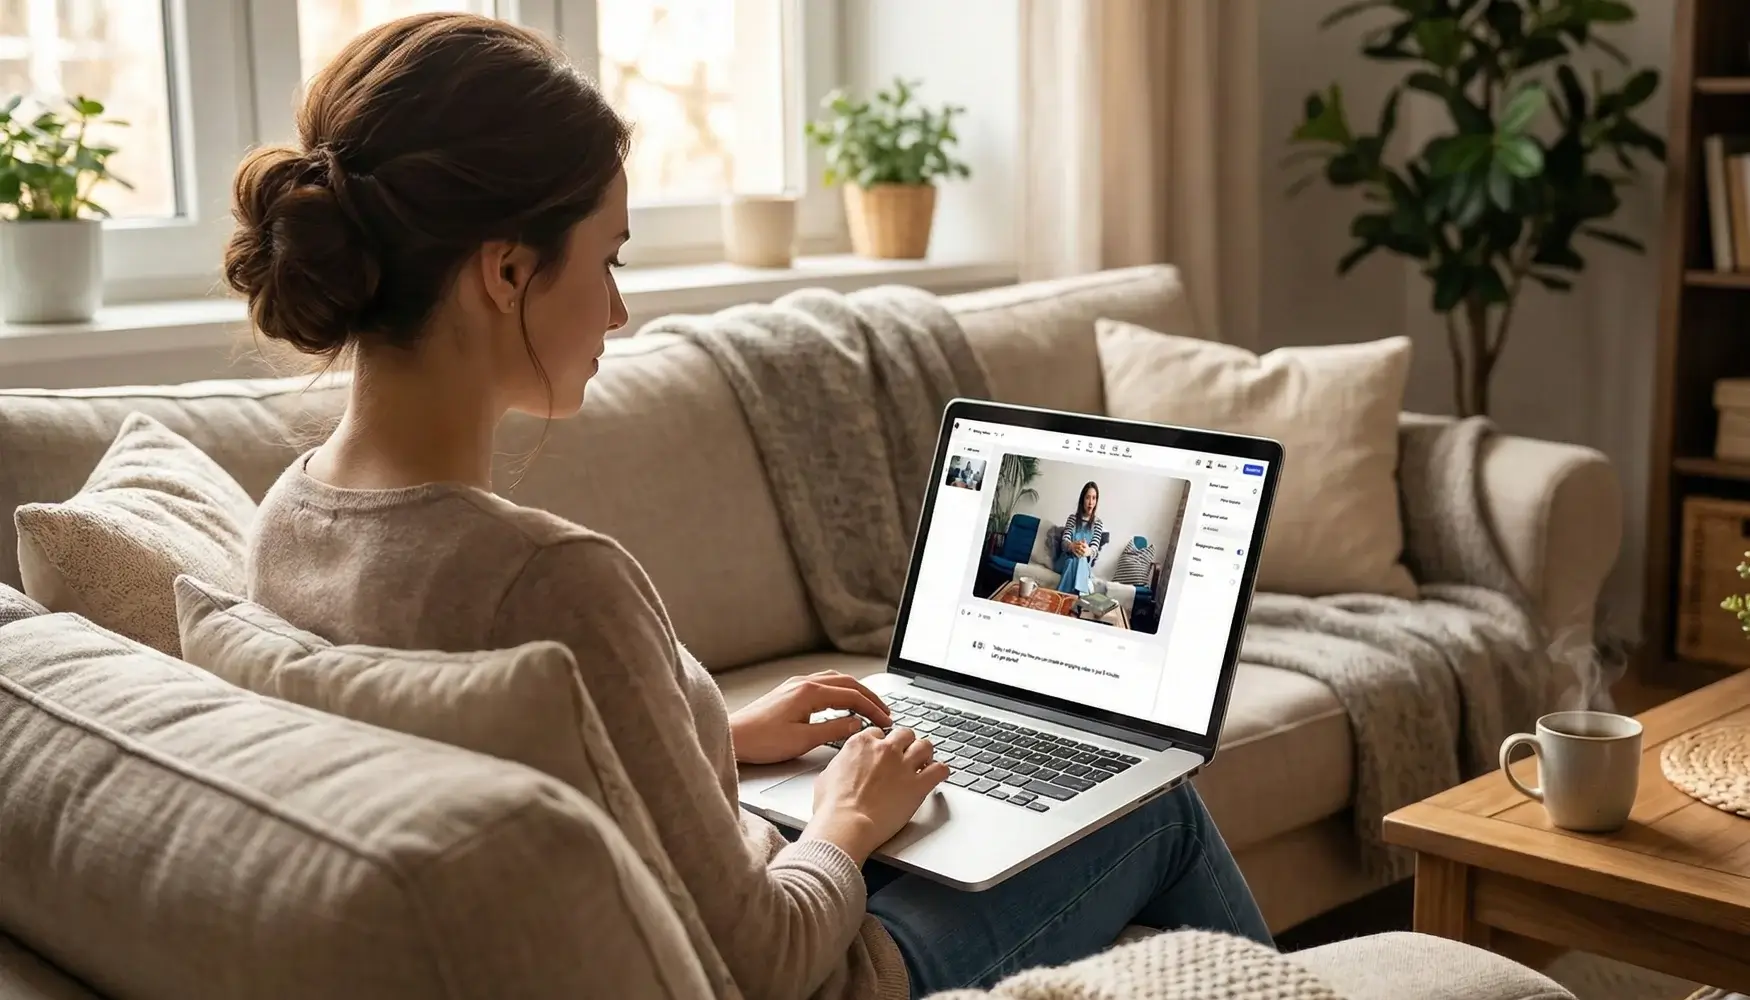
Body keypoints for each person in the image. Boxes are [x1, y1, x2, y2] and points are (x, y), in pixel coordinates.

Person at [228, 14, 1270, 1000]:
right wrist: (847, 823)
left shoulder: (286, 520)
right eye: (609, 257)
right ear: (504, 270)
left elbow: (522, 767)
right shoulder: (548, 579)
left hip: (727, 875)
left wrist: (713, 737)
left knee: (992, 822)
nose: (622, 309)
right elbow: (768, 965)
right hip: (827, 967)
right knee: (1155, 803)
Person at [1056, 481, 1105, 595]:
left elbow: (1094, 549)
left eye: (1094, 498)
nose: (1091, 502)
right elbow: (1064, 542)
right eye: (1088, 498)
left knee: (1081, 559)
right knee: (1072, 561)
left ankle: (1062, 596)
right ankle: (1081, 598)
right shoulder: (1072, 518)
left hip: (1084, 561)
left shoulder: (1098, 523)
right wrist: (1072, 546)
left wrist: (1087, 551)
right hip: (1067, 558)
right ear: (1082, 499)